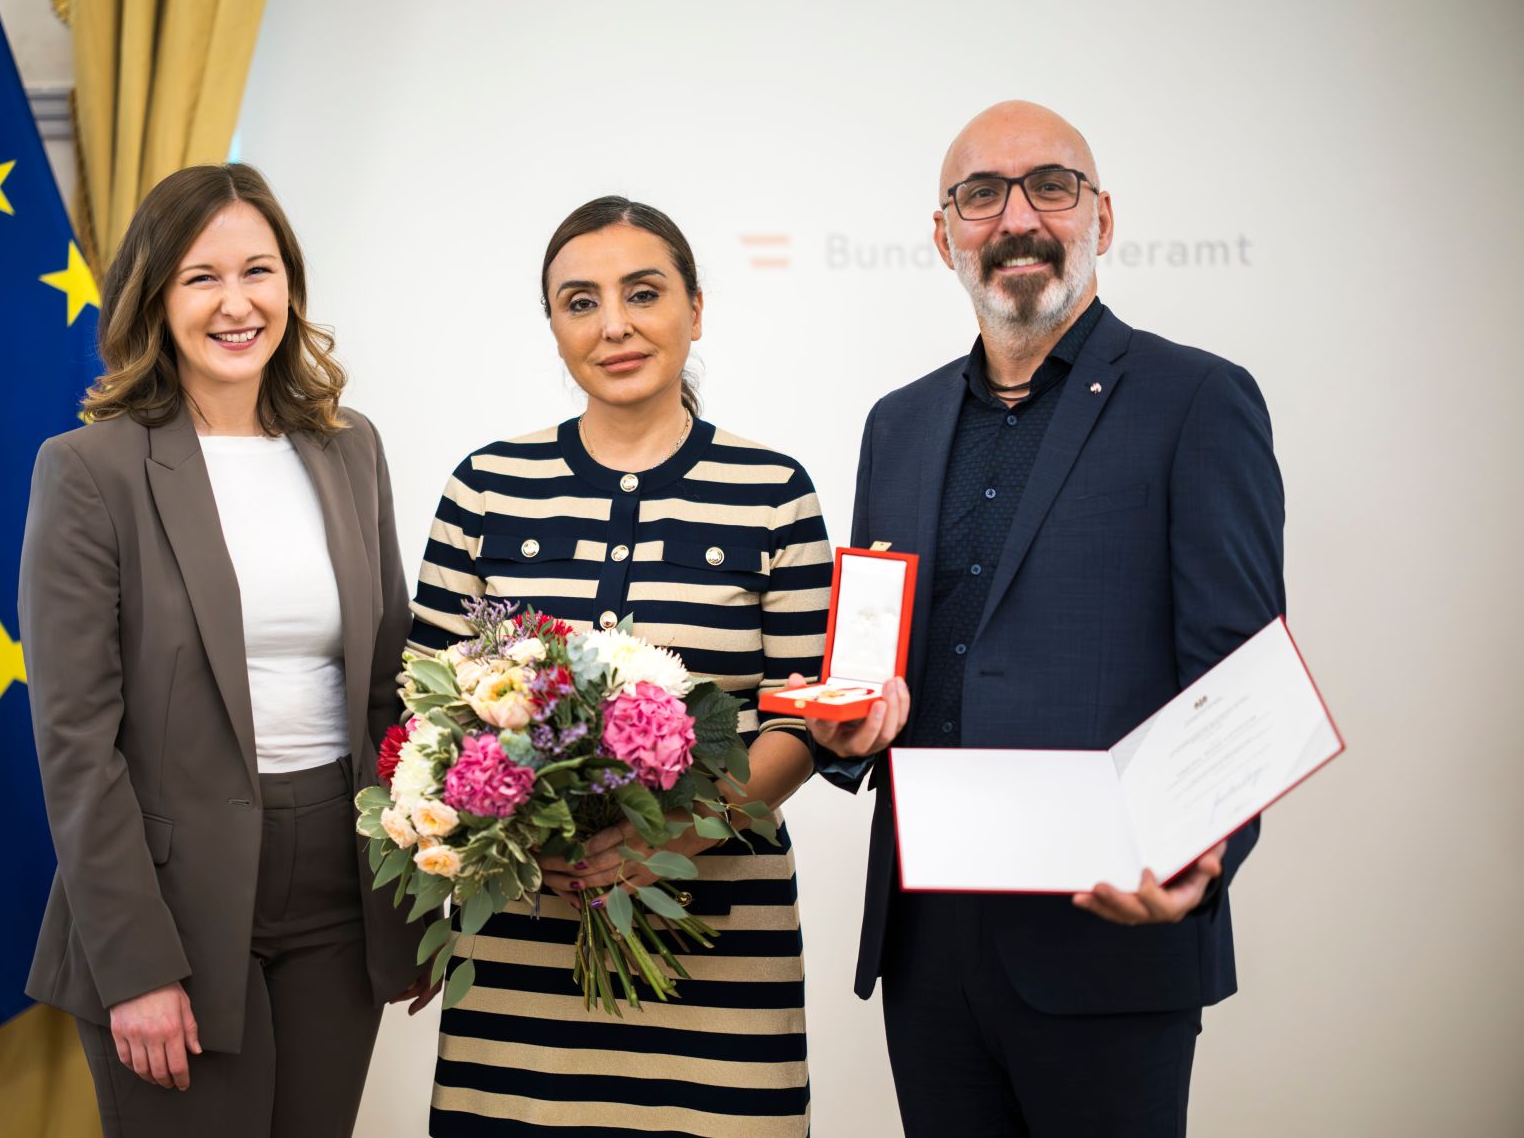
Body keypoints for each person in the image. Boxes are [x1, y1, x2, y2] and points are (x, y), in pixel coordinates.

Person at [803, 101, 1285, 1136]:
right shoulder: (897, 422)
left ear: (1099, 218)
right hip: (923, 946)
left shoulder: (1196, 399)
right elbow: (873, 658)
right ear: (943, 236)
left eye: (1048, 187)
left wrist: (1200, 862)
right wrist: (844, 735)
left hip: (1106, 930)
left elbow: (1237, 678)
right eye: (980, 194)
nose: (1014, 217)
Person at [19, 163, 431, 1137]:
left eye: (259, 270)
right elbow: (77, 744)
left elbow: (385, 686)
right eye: (201, 277)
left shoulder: (348, 446)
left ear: (289, 283)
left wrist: (413, 905)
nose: (236, 302)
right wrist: (136, 965)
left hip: (339, 878)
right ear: (154, 298)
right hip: (172, 901)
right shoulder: (88, 471)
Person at [410, 196, 832, 1135]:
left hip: (720, 955)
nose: (614, 325)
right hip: (521, 967)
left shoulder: (775, 494)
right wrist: (530, 838)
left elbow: (803, 723)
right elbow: (431, 718)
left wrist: (664, 841)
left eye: (643, 293)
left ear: (696, 307)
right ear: (553, 325)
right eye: (579, 301)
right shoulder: (485, 488)